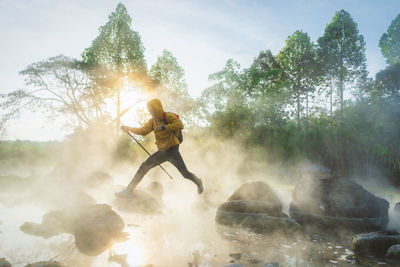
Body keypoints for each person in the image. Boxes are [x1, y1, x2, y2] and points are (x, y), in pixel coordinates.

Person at [115, 98, 203, 198]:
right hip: (162, 152)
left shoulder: (167, 116)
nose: (150, 111)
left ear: (157, 108)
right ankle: (129, 190)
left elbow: (180, 125)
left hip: (173, 151)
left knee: (185, 174)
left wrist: (165, 127)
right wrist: (128, 128)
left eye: (151, 109)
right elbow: (143, 131)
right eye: (149, 109)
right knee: (144, 166)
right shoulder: (153, 121)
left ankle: (198, 182)